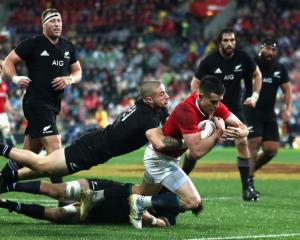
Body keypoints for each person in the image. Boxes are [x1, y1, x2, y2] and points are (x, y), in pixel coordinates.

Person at [104, 75, 248, 229]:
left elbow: (242, 125)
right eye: (213, 102)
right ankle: (139, 203)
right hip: (160, 159)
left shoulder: (214, 103)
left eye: (219, 101)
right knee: (193, 202)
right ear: (200, 96)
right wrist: (218, 133)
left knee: (141, 191)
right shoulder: (186, 111)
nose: (217, 106)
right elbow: (197, 151)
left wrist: (242, 132)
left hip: (164, 157)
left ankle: (98, 195)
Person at [0, 81, 183, 188]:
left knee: (45, 168)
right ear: (149, 99)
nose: (166, 96)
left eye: (166, 92)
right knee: (42, 164)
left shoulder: (149, 107)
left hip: (96, 145)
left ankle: (5, 181)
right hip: (91, 149)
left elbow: (167, 119)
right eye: (162, 94)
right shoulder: (147, 118)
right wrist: (186, 143)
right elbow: (159, 143)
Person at [2, 8, 82, 186]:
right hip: (36, 102)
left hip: (53, 105)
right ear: (44, 24)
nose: (57, 24)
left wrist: (69, 79)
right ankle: (62, 197)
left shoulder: (68, 46)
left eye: (59, 21)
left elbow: (78, 72)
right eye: (53, 21)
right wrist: (15, 77)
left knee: (26, 157)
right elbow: (8, 62)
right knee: (55, 146)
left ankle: (2, 181)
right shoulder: (32, 44)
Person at [190, 28, 262, 201]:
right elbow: (195, 83)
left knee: (242, 142)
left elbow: (257, 74)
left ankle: (246, 189)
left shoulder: (243, 57)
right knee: (194, 149)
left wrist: (255, 96)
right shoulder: (210, 61)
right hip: (212, 109)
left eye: (232, 40)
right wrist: (200, 105)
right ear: (219, 43)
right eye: (226, 40)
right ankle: (177, 180)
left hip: (234, 109)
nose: (230, 44)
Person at [0, 178, 173, 227]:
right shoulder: (159, 181)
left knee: (57, 215)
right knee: (57, 191)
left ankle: (6, 203)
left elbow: (164, 222)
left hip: (102, 213)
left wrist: (151, 220)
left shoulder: (173, 204)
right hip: (103, 189)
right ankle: (7, 185)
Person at [246, 39, 292, 194]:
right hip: (251, 110)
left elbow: (287, 90)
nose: (270, 52)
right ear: (261, 50)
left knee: (271, 149)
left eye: (273, 50)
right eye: (267, 49)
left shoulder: (280, 68)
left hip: (269, 113)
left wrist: (288, 109)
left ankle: (247, 172)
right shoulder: (251, 65)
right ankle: (249, 183)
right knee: (254, 142)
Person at [0, 60, 17, 147]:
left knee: (7, 134)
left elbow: (5, 101)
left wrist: (12, 112)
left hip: (2, 115)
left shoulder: (3, 85)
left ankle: (13, 156)